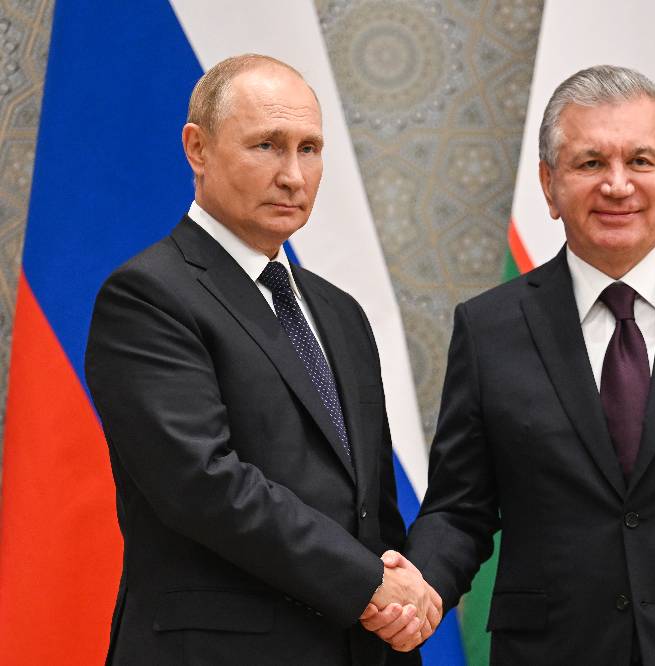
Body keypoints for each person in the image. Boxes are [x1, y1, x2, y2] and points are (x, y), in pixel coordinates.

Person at [370, 65, 655, 663]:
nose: (617, 185)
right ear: (549, 184)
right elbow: (461, 509)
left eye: (641, 161)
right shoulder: (490, 327)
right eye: (590, 163)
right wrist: (420, 587)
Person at [85, 54, 439, 665]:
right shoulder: (148, 295)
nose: (294, 176)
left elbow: (371, 505)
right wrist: (368, 584)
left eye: (310, 149)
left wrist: (400, 602)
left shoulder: (340, 312)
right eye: (267, 146)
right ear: (197, 148)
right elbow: (203, 484)